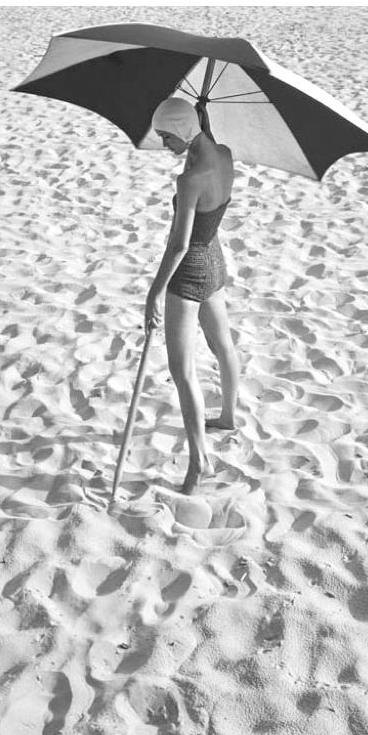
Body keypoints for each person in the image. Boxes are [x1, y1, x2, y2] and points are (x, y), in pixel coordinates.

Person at [144, 97, 241, 495]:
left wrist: (154, 292)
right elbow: (207, 140)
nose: (164, 144)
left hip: (189, 273)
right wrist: (200, 115)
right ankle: (229, 416)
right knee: (223, 345)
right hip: (217, 261)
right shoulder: (224, 154)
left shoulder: (189, 180)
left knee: (183, 369)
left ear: (183, 130)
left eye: (166, 136)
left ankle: (199, 462)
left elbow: (178, 245)